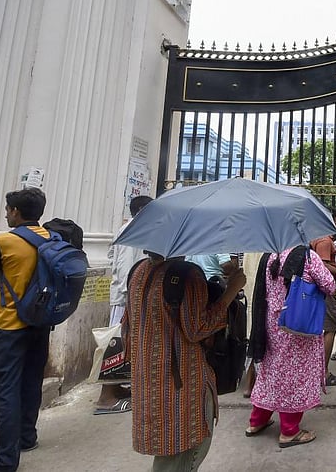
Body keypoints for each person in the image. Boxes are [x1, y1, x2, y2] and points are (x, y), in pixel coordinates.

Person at [122, 251, 245, 471]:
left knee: (169, 452)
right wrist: (231, 291)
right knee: (187, 449)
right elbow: (198, 328)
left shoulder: (138, 271)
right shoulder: (188, 276)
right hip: (184, 382)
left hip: (147, 380)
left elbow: (127, 327)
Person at [0, 188, 52, 472]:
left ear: (16, 212)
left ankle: (5, 462)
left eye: (8, 210)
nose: (6, 214)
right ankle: (27, 438)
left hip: (9, 325)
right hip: (40, 323)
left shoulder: (3, 241)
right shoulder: (51, 238)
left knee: (6, 391)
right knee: (31, 383)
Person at [246, 245, 336, 447]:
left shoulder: (269, 256)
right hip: (296, 325)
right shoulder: (307, 256)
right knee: (294, 375)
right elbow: (330, 286)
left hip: (271, 324)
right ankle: (289, 430)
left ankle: (256, 421)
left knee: (271, 371)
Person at [95, 195, 153, 415]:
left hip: (127, 296)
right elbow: (126, 265)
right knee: (117, 344)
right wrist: (133, 295)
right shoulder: (134, 230)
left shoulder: (128, 229)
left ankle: (117, 387)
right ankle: (106, 397)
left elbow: (112, 255)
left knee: (122, 342)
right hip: (127, 298)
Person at [311, 209, 336, 389]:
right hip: (327, 289)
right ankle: (323, 373)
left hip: (319, 291)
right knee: (330, 329)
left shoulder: (316, 237)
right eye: (335, 220)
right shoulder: (324, 240)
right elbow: (322, 265)